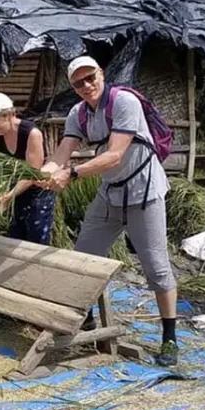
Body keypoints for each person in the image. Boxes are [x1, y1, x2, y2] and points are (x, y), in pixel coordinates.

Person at [40, 56, 178, 367]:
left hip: (144, 191)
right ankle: (85, 320)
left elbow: (115, 155)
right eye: (78, 83)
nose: (86, 85)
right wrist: (38, 176)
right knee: (83, 258)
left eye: (91, 78)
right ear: (73, 87)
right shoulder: (79, 113)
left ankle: (169, 338)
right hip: (110, 193)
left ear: (101, 74)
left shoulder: (124, 101)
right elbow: (63, 152)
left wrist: (72, 175)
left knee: (156, 267)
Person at [0, 92, 56, 245]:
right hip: (15, 187)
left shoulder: (31, 134)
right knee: (15, 233)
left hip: (38, 188)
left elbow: (32, 173)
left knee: (37, 234)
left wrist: (7, 197)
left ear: (9, 115)